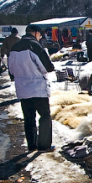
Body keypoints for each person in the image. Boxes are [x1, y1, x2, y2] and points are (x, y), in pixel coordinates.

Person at [8, 24, 56, 152]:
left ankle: (32, 145)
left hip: (22, 89)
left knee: (29, 118)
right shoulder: (34, 46)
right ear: (35, 33)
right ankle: (44, 145)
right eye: (40, 34)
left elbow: (11, 70)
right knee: (45, 116)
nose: (40, 37)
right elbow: (48, 67)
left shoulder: (14, 47)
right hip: (38, 88)